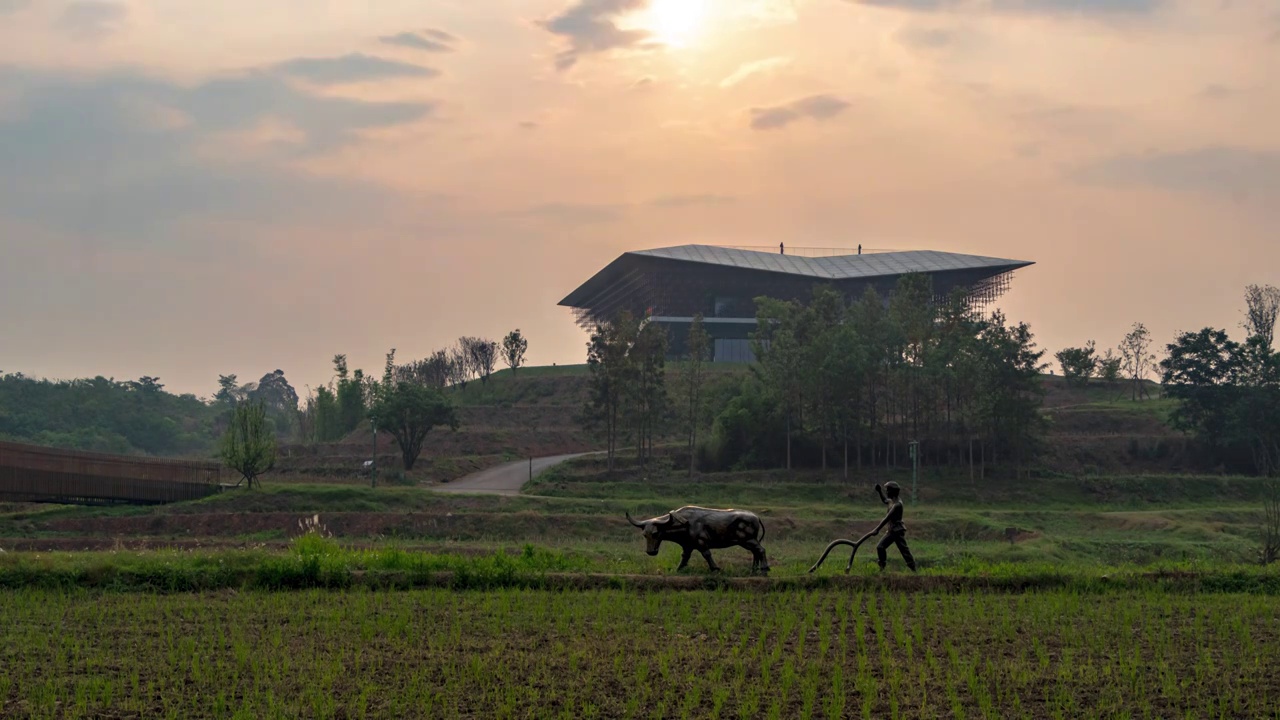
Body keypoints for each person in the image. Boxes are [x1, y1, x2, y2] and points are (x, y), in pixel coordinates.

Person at [871, 481, 917, 572]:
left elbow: (887, 518)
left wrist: (877, 530)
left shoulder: (897, 505)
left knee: (904, 550)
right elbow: (885, 500)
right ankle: (882, 567)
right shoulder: (892, 501)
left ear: (893, 491)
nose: (887, 492)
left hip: (897, 530)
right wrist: (879, 491)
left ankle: (913, 569)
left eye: (888, 490)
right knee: (881, 547)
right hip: (892, 530)